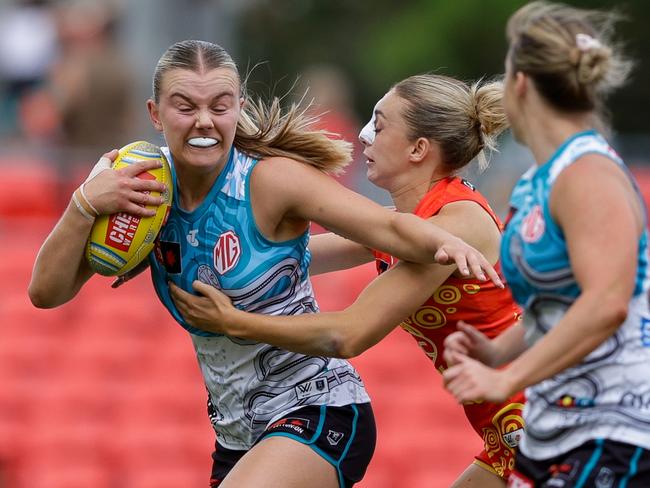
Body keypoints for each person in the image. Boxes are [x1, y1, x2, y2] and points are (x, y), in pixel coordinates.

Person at [28, 40, 502, 488]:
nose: (204, 122)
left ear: (238, 106)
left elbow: (379, 253)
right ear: (155, 113)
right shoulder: (146, 193)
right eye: (184, 106)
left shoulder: (273, 181)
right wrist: (85, 204)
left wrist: (448, 239)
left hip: (320, 409)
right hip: (237, 435)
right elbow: (46, 294)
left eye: (220, 105)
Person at [166, 72, 526, 487]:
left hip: (558, 421)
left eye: (380, 123)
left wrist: (233, 322)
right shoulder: (410, 225)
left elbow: (348, 334)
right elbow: (286, 258)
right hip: (512, 439)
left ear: (418, 149)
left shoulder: (456, 225)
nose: (364, 134)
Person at [442, 2, 650, 486]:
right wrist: (495, 352)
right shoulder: (540, 178)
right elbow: (558, 305)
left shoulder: (588, 173)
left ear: (519, 84)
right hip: (553, 426)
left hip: (617, 430)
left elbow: (606, 303)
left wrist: (507, 379)